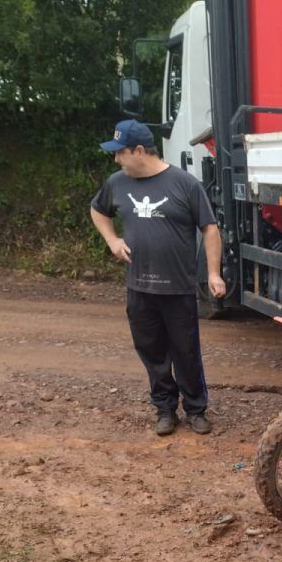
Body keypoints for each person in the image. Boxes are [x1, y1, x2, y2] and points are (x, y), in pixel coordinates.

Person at [90, 119, 226, 436]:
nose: (115, 159)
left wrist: (213, 273)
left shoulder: (184, 184)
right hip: (139, 287)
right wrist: (112, 240)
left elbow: (210, 228)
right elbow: (98, 211)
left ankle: (195, 409)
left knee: (186, 350)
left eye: (119, 152)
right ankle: (165, 409)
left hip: (177, 288)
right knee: (152, 351)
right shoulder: (117, 183)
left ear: (139, 150)